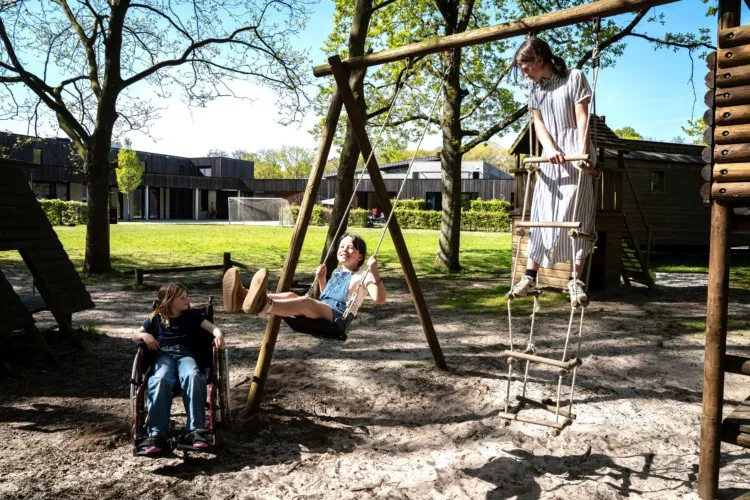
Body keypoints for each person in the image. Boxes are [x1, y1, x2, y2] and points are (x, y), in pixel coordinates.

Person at [510, 37, 597, 307]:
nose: (524, 73)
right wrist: (548, 149)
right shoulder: (534, 89)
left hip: (575, 153)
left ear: (538, 60)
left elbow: (582, 117)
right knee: (541, 214)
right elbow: (538, 123)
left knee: (576, 216)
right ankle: (529, 276)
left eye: (525, 67)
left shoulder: (575, 78)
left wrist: (582, 151)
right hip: (551, 158)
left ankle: (575, 280)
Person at [132, 283, 225, 455]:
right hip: (163, 355)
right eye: (181, 297)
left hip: (186, 355)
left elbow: (212, 328)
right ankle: (157, 434)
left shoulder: (192, 316)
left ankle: (196, 431)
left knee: (193, 376)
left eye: (186, 296)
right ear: (169, 300)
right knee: (159, 379)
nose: (186, 300)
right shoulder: (156, 318)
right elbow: (135, 335)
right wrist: (146, 335)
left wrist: (219, 335)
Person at [223, 234, 386, 322]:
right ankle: (242, 296)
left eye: (351, 248)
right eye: (342, 246)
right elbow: (325, 296)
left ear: (360, 256)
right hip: (325, 307)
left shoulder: (364, 275)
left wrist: (375, 272)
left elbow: (379, 299)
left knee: (305, 301)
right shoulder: (337, 272)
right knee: (291, 295)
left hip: (337, 315)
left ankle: (262, 304)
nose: (345, 249)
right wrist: (322, 279)